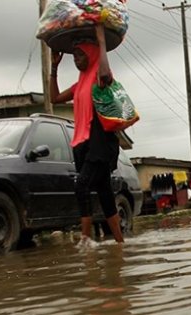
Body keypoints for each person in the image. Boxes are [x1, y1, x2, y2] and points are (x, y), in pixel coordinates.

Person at [50, 23, 123, 245]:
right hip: (83, 144)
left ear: (91, 56)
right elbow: (54, 98)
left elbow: (106, 73)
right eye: (74, 57)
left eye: (80, 56)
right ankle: (120, 244)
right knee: (104, 194)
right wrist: (54, 68)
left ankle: (85, 240)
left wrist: (101, 41)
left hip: (101, 144)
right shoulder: (79, 84)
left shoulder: (100, 79)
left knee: (81, 184)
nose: (76, 60)